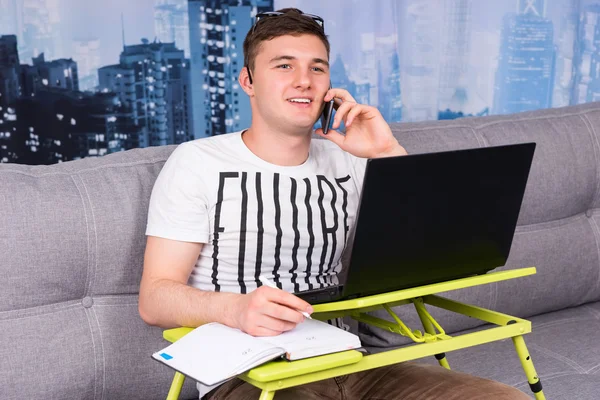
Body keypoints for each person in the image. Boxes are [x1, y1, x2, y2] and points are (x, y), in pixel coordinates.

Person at [139, 8, 531, 400]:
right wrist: (237, 309)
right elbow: (155, 298)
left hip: (355, 365)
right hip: (249, 375)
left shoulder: (350, 159)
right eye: (283, 66)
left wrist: (387, 152)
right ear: (248, 81)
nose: (303, 81)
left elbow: (443, 248)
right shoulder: (197, 162)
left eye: (317, 68)